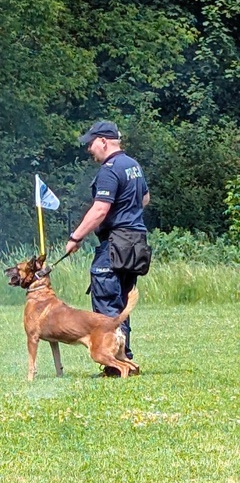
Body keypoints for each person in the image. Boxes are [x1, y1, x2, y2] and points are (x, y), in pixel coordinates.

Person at [64, 120, 151, 375]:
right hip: (135, 242)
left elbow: (100, 209)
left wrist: (75, 237)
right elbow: (144, 198)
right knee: (122, 302)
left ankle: (113, 365)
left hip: (115, 244)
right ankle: (126, 358)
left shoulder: (109, 169)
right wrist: (128, 213)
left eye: (90, 144)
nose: (89, 149)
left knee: (106, 304)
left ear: (103, 140)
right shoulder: (133, 165)